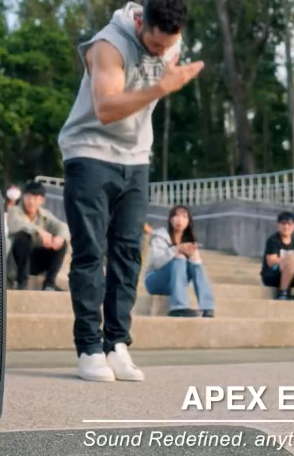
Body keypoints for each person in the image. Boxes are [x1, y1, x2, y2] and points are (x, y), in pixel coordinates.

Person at [57, 0, 201, 382]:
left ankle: (116, 344)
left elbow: (167, 50)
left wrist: (166, 68)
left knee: (128, 254)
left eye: (168, 45)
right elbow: (106, 108)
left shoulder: (171, 40)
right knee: (90, 253)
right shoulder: (108, 45)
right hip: (90, 152)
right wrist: (160, 87)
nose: (161, 52)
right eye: (154, 45)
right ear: (140, 24)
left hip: (136, 159)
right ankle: (89, 348)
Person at [144, 205, 215, 318]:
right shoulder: (160, 236)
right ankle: (179, 307)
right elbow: (157, 262)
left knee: (196, 262)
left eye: (184, 217)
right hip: (155, 282)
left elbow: (191, 270)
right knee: (180, 257)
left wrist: (195, 259)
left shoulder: (189, 240)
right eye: (176, 216)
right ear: (170, 219)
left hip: (176, 285)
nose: (179, 220)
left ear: (188, 222)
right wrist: (177, 249)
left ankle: (207, 307)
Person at [6, 181, 70, 291]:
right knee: (23, 236)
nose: (31, 201)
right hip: (16, 263)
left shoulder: (44, 214)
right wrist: (39, 230)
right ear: (23, 197)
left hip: (35, 262)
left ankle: (49, 284)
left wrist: (60, 237)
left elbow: (62, 226)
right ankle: (22, 283)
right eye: (28, 197)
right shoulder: (15, 211)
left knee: (61, 242)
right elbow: (17, 224)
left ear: (41, 200)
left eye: (35, 198)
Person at [260, 212, 294, 300]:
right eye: (283, 223)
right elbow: (271, 262)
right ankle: (282, 292)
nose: (286, 227)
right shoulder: (273, 240)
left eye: (289, 224)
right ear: (278, 225)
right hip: (272, 274)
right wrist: (289, 259)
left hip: (290, 274)